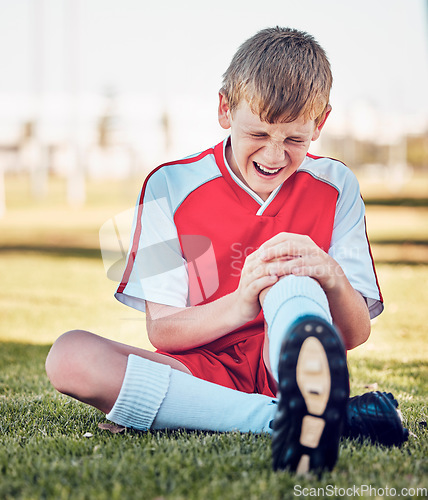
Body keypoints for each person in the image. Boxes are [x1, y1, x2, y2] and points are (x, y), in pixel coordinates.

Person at [45, 27, 408, 475]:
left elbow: (353, 334)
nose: (274, 155)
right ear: (224, 109)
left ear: (321, 124)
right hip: (201, 374)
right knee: (69, 356)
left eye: (295, 139)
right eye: (258, 132)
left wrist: (329, 273)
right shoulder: (168, 186)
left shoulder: (337, 186)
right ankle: (295, 419)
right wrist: (242, 301)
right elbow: (163, 332)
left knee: (292, 269)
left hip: (290, 360)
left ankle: (297, 396)